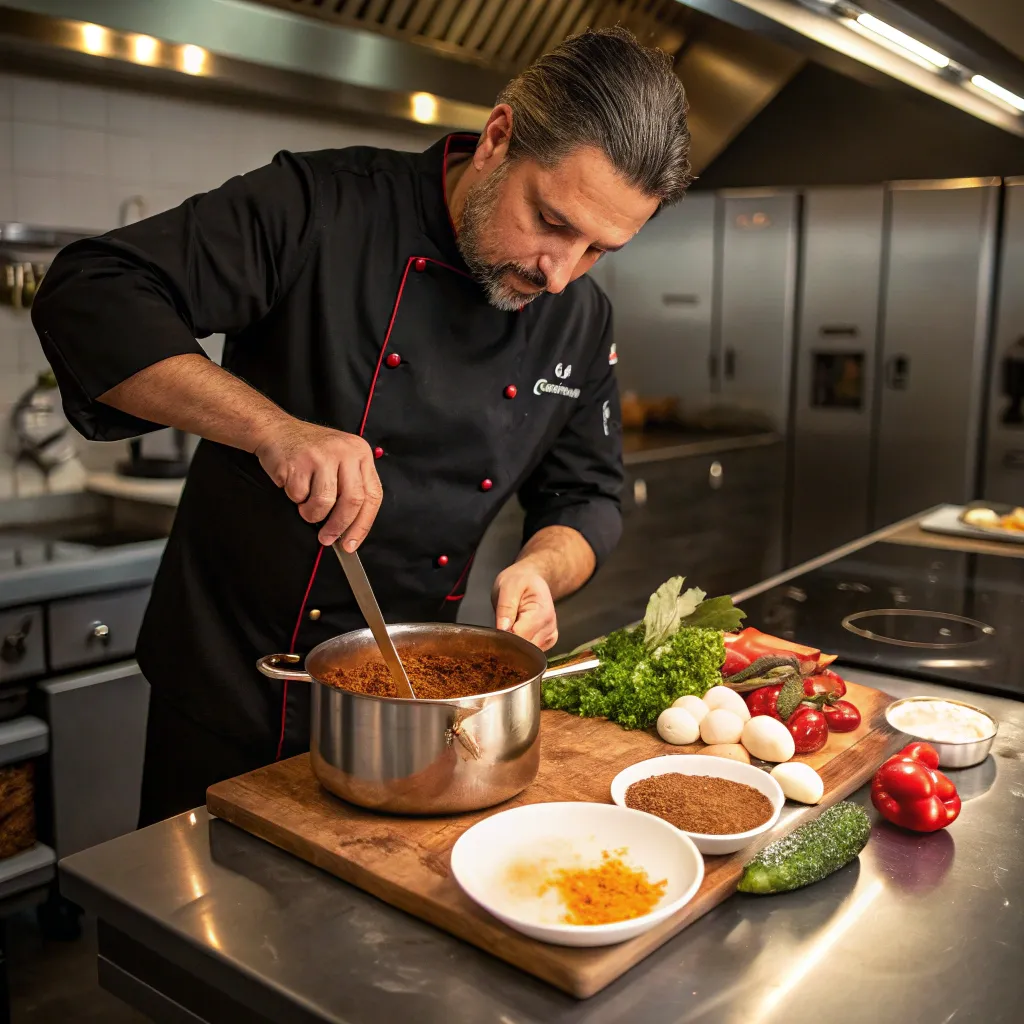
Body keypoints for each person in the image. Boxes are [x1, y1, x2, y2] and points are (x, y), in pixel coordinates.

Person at [31, 26, 692, 825]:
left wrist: (540, 571)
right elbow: (92, 291)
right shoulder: (321, 206)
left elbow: (587, 495)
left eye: (598, 249)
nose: (560, 274)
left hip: (413, 712)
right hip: (236, 690)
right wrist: (274, 429)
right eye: (551, 221)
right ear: (497, 138)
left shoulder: (579, 320)